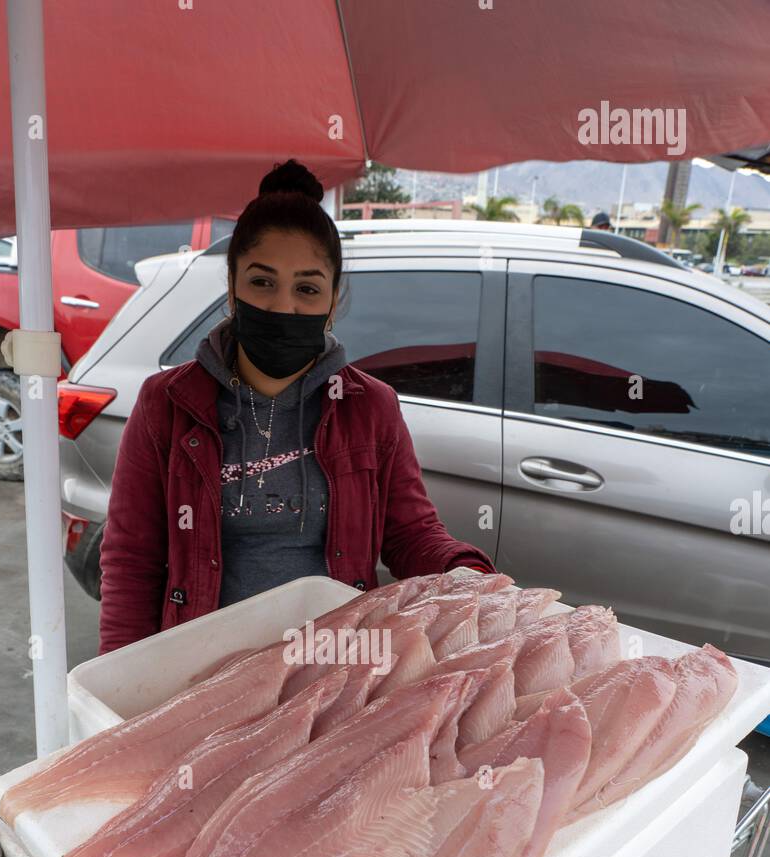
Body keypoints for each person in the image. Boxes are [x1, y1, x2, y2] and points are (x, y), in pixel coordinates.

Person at [98, 159, 495, 654]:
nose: (284, 307)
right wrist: (118, 683)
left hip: (335, 671)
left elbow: (410, 535)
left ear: (332, 301)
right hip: (200, 672)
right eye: (262, 282)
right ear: (232, 287)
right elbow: (131, 561)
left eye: (306, 288)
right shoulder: (168, 406)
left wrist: (467, 575)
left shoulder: (370, 408)